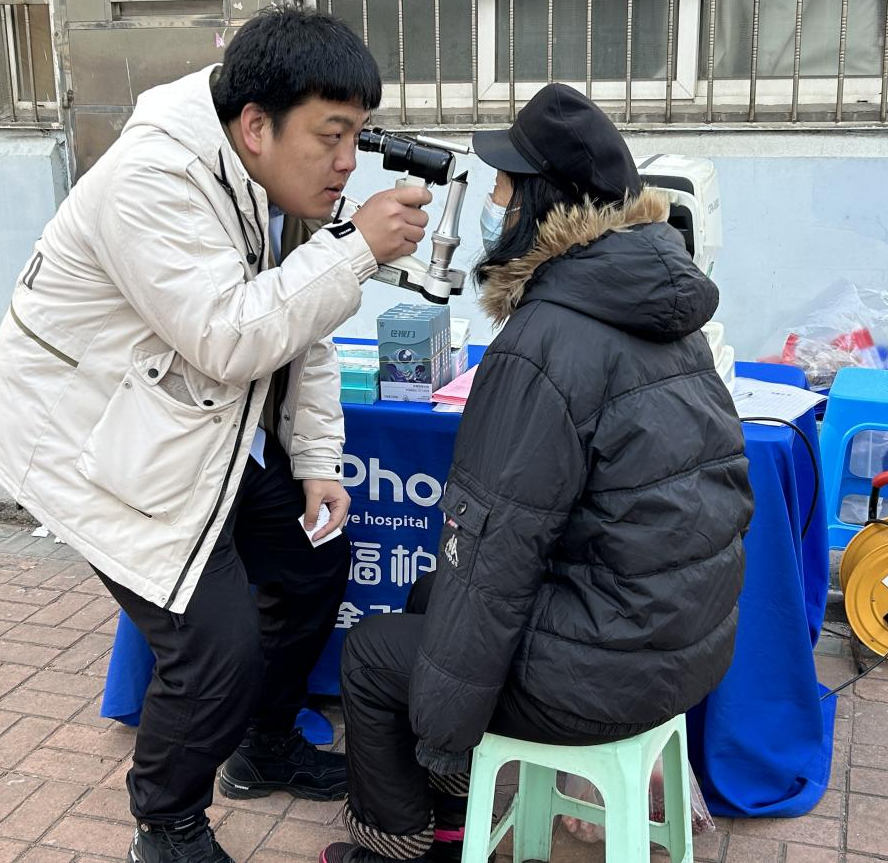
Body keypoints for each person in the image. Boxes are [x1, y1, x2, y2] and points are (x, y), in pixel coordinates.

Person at [0, 5, 432, 863]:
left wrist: (318, 460)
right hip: (89, 440)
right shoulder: (154, 179)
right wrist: (355, 247)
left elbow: (302, 325)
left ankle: (263, 746)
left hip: (179, 422)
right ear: (256, 124)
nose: (347, 163)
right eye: (331, 135)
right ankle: (168, 824)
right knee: (215, 644)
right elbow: (230, 335)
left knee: (312, 554)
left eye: (358, 137)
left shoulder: (259, 172)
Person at [321, 83, 755, 863]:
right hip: (681, 646)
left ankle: (401, 846)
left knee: (373, 655)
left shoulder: (543, 341)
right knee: (428, 597)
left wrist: (445, 735)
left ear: (543, 204)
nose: (491, 201)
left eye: (502, 185)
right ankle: (456, 811)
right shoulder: (666, 313)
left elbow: (493, 552)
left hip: (606, 667)